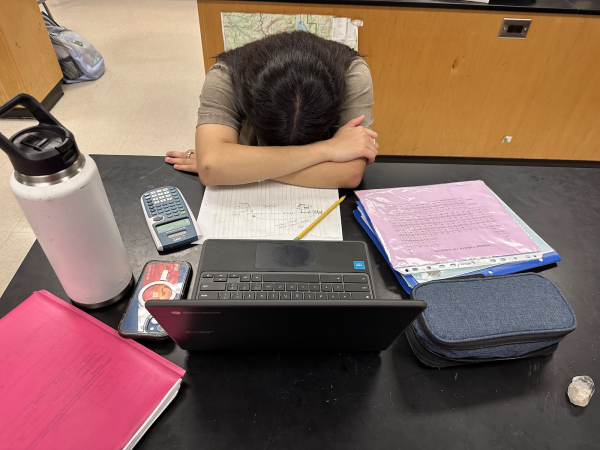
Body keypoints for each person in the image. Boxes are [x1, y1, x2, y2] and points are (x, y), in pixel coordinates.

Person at [165, 31, 378, 188]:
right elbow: (212, 167)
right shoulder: (225, 77)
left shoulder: (352, 75)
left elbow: (349, 174)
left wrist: (234, 169)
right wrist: (328, 149)